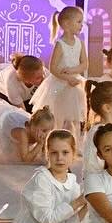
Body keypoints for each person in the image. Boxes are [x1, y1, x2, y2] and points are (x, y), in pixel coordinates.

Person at [29, 7, 87, 139]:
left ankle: (75, 144)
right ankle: (53, 142)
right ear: (66, 24)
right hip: (60, 85)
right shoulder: (60, 44)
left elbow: (84, 64)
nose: (81, 25)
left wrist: (72, 71)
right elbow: (53, 68)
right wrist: (67, 78)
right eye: (78, 22)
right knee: (58, 117)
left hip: (75, 84)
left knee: (75, 118)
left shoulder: (80, 43)